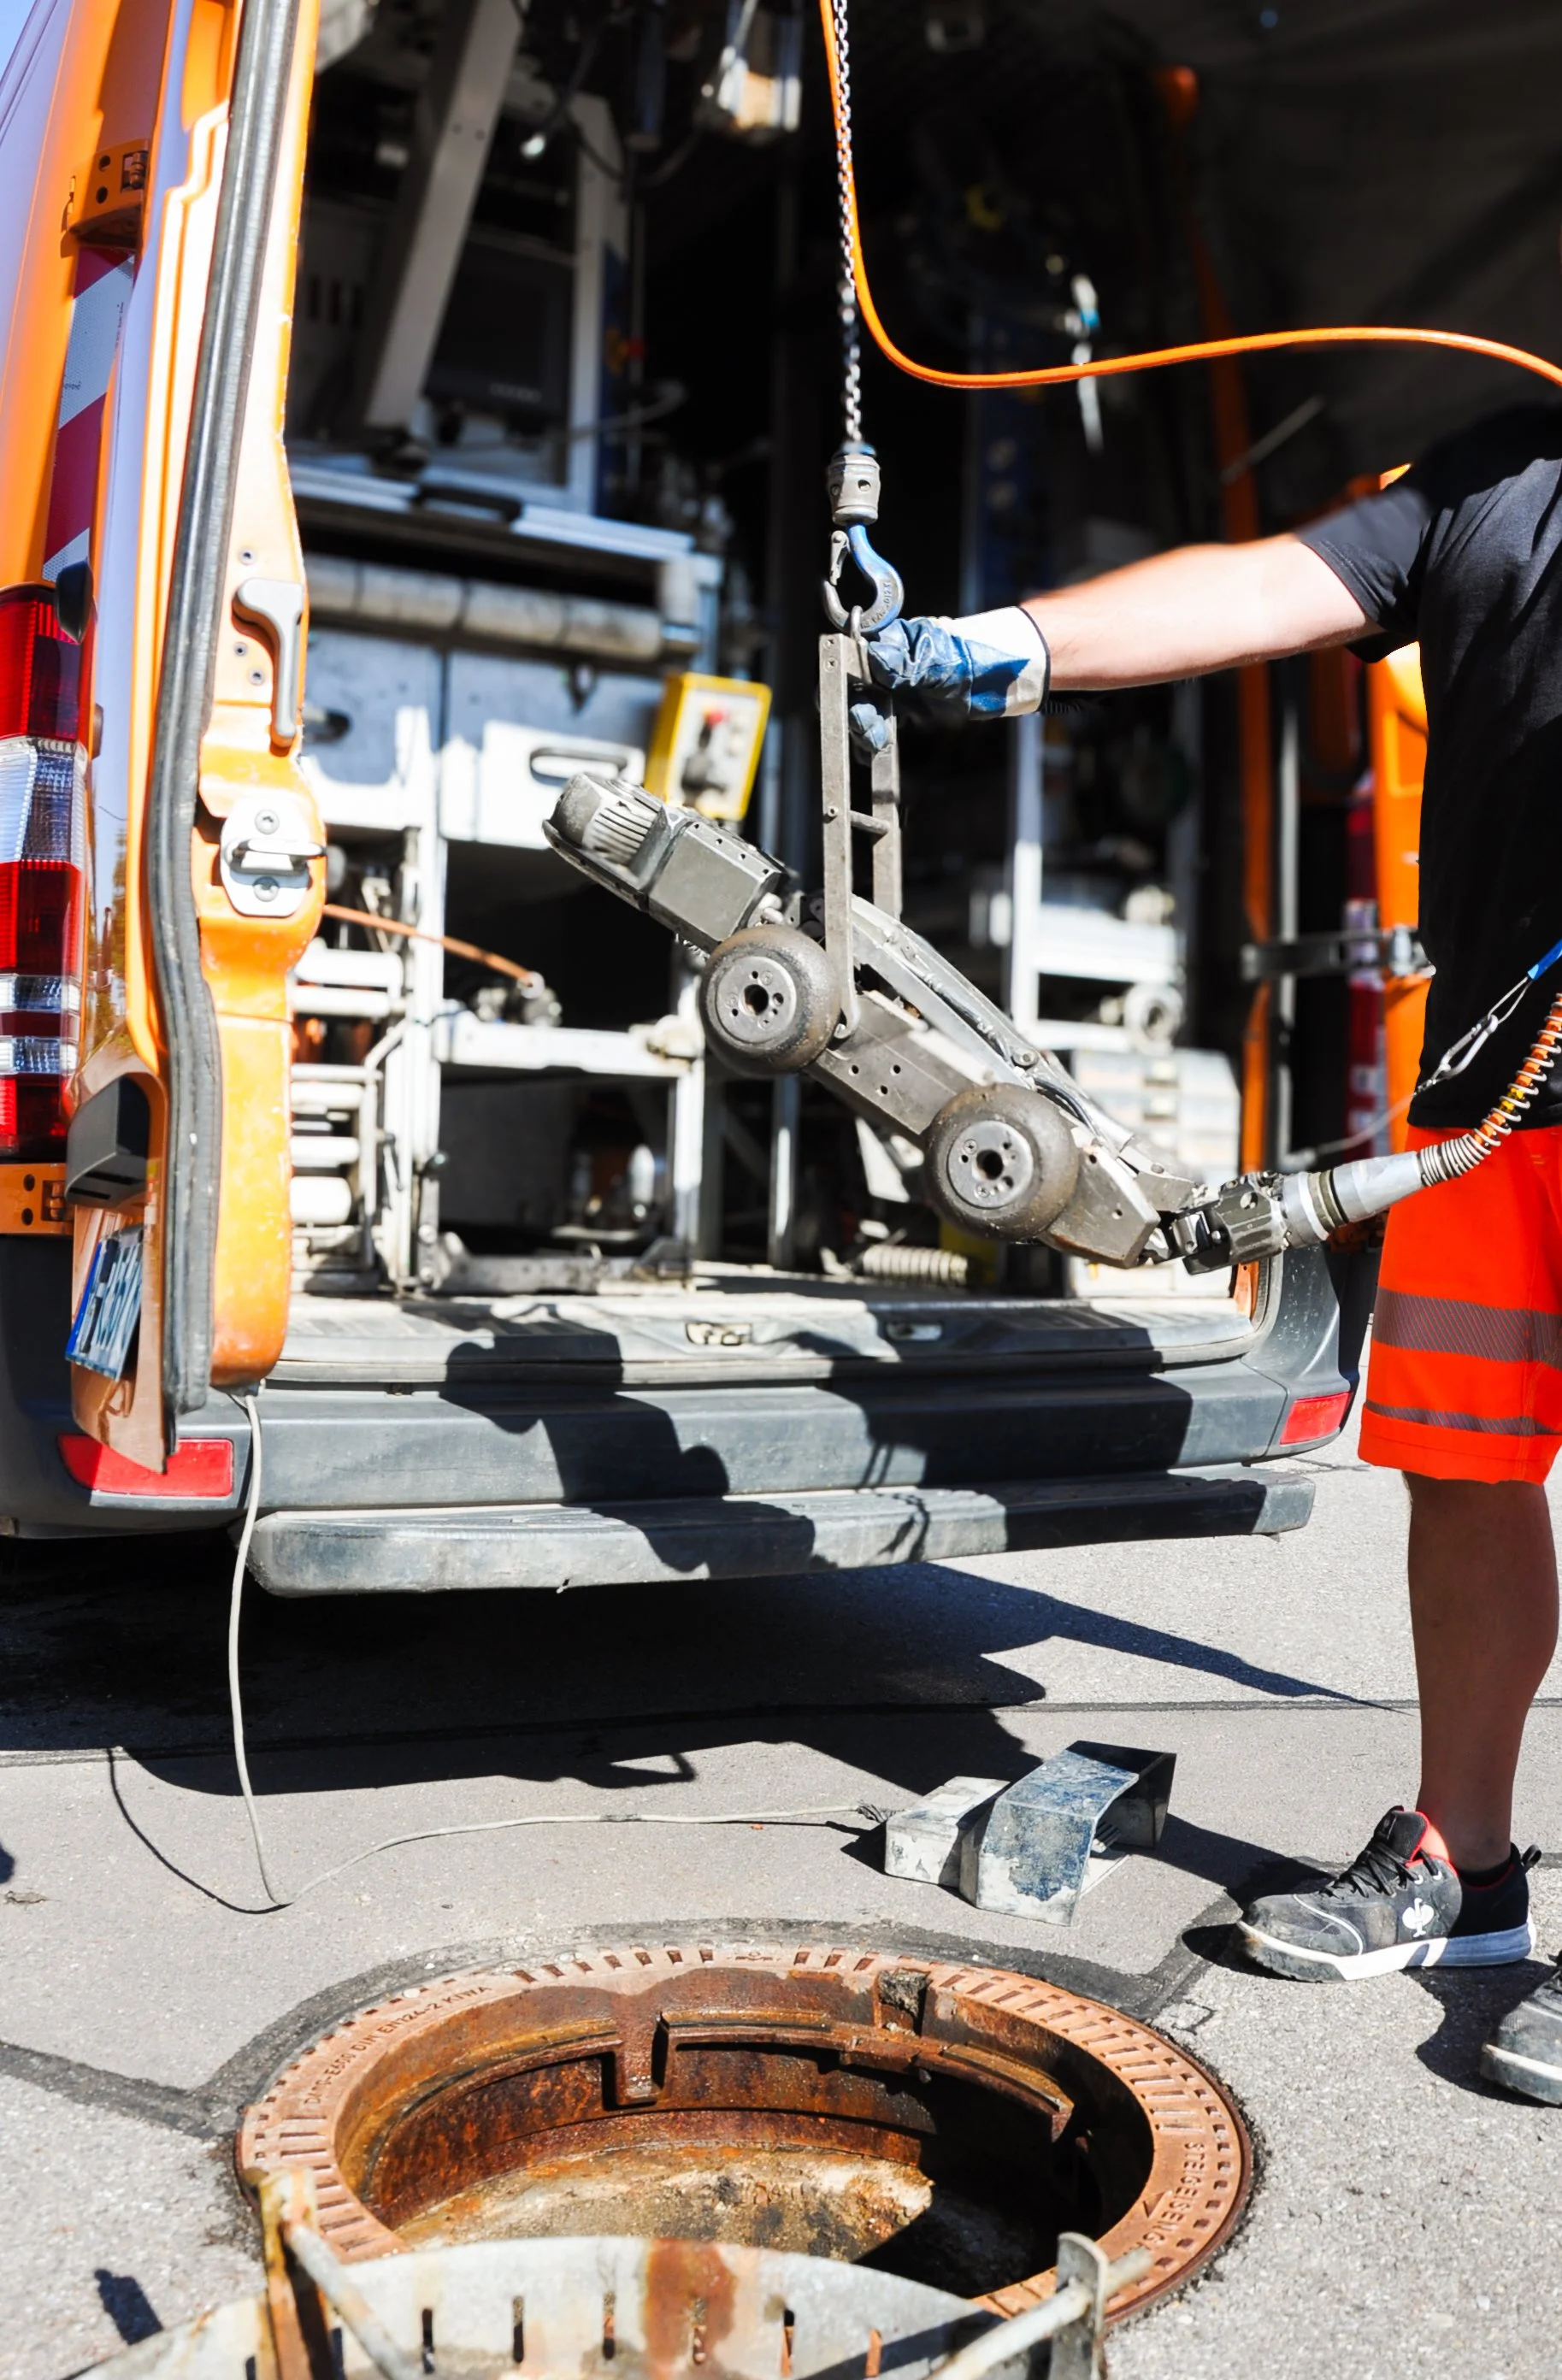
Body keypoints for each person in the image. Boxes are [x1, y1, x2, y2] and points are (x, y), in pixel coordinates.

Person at [864, 404, 1562, 2104]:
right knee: (1465, 1473)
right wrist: (1007, 642)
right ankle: (1461, 1869)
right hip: (1500, 1090)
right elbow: (1262, 587)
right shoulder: (1503, 480)